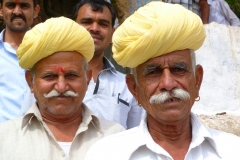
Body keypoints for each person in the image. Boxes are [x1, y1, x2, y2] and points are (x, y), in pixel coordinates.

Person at [85, 2, 240, 160]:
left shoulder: (232, 150)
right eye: (153, 72)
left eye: (179, 69)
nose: (168, 84)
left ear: (197, 80)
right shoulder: (106, 154)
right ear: (134, 89)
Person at [0, 17, 125, 159]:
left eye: (71, 75)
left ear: (88, 78)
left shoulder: (115, 137)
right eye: (50, 76)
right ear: (30, 82)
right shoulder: (4, 138)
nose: (61, 87)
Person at [72, 0, 143, 129]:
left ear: (112, 33)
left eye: (103, 24)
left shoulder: (127, 86)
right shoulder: (53, 79)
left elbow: (136, 133)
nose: (94, 28)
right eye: (87, 22)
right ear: (71, 28)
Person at [0, 0, 40, 122]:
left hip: (40, 136)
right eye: (11, 5)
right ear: (1, 10)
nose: (17, 11)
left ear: (35, 11)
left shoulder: (48, 53)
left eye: (24, 5)